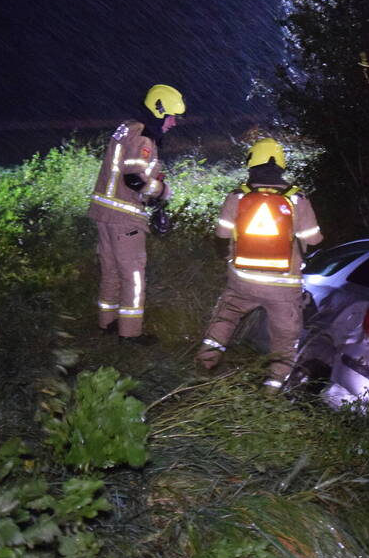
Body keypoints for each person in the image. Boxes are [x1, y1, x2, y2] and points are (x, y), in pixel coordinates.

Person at [195, 138, 323, 391]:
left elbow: (221, 238)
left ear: (252, 163)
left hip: (242, 281)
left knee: (225, 318)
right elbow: (315, 240)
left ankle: (204, 365)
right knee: (285, 339)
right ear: (281, 165)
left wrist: (231, 259)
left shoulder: (237, 196)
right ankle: (271, 389)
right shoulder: (297, 199)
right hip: (283, 287)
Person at [88, 84, 184, 344]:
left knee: (110, 271)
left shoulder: (127, 128)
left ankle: (106, 324)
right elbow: (133, 179)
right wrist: (162, 191)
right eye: (172, 116)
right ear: (159, 110)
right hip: (124, 218)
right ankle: (130, 334)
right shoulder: (142, 138)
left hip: (103, 213)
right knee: (133, 276)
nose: (174, 123)